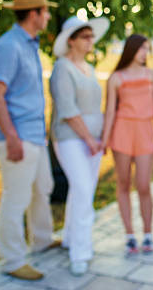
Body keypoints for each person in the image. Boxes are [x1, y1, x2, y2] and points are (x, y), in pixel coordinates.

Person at [0, 0, 61, 281]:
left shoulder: (29, 43)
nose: (47, 18)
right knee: (15, 198)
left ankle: (41, 239)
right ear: (35, 13)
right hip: (16, 137)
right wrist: (12, 138)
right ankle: (13, 259)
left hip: (34, 135)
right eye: (45, 12)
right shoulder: (9, 45)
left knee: (42, 188)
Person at [49, 15, 109, 276]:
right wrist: (89, 139)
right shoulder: (62, 67)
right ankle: (80, 253)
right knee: (84, 190)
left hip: (93, 140)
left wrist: (100, 138)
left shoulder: (90, 67)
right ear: (71, 41)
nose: (90, 41)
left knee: (81, 190)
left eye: (91, 36)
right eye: (85, 37)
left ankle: (71, 239)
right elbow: (68, 109)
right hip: (71, 138)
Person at [101, 34, 153, 256]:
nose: (145, 53)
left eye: (147, 49)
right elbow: (110, 111)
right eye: (141, 49)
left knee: (144, 185)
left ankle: (148, 234)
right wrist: (105, 140)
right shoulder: (116, 78)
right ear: (131, 50)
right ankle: (129, 235)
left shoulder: (151, 75)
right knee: (124, 183)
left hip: (145, 132)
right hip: (122, 133)